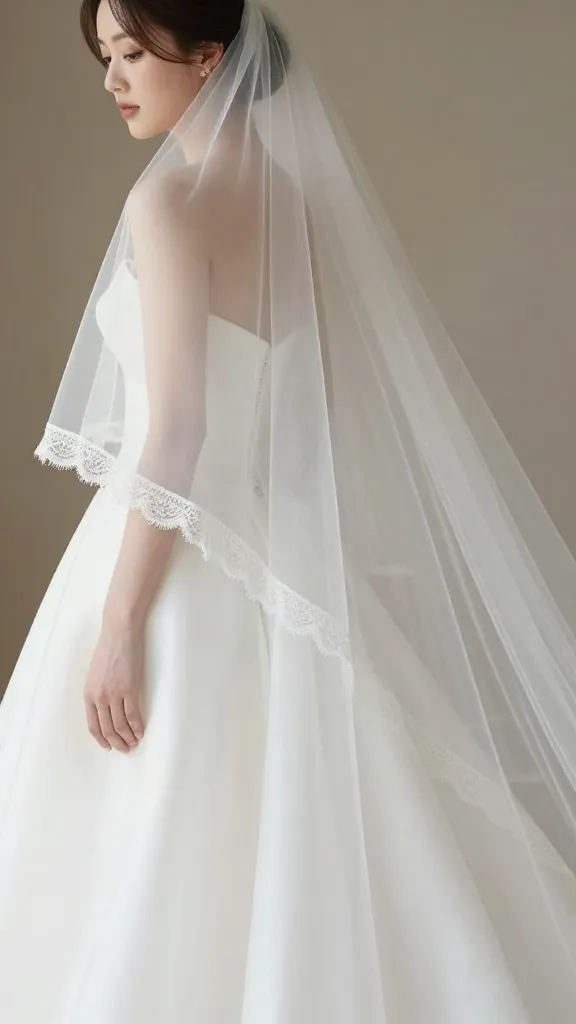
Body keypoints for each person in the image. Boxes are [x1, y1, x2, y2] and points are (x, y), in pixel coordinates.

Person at [1, 0, 576, 1019]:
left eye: (132, 52)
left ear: (208, 56)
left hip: (165, 562)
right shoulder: (299, 206)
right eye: (104, 56)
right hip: (265, 547)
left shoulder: (169, 206)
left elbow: (174, 431)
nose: (112, 79)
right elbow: (320, 411)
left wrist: (122, 624)